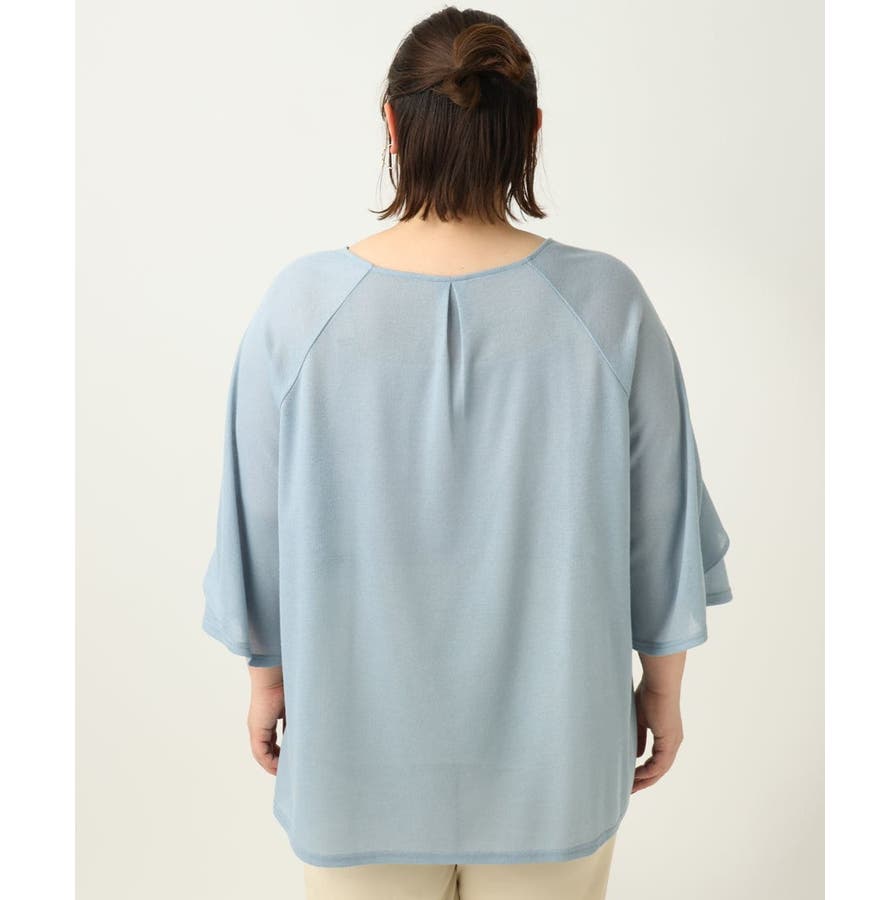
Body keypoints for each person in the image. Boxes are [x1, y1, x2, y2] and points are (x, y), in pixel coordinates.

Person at [201, 6, 734, 899]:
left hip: (353, 761)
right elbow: (662, 527)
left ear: (392, 124)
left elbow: (256, 530)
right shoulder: (608, 306)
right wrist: (662, 693)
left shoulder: (299, 310)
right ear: (531, 130)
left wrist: (268, 684)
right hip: (557, 762)